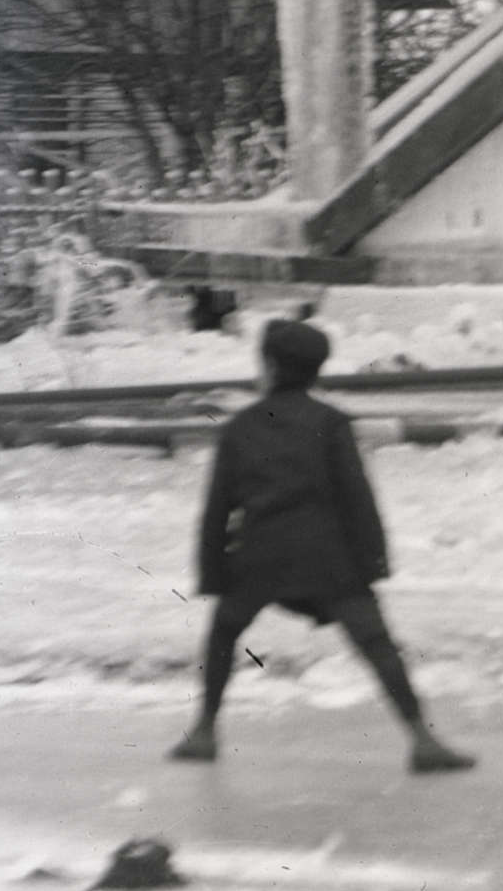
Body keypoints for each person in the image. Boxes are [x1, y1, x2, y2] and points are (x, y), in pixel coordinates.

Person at [177, 311, 477, 776]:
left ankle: (204, 731)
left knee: (223, 634)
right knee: (376, 643)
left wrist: (212, 573)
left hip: (259, 556)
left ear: (271, 367)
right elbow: (357, 496)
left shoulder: (240, 428)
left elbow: (217, 508)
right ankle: (422, 739)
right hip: (329, 557)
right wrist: (372, 563)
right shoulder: (332, 422)